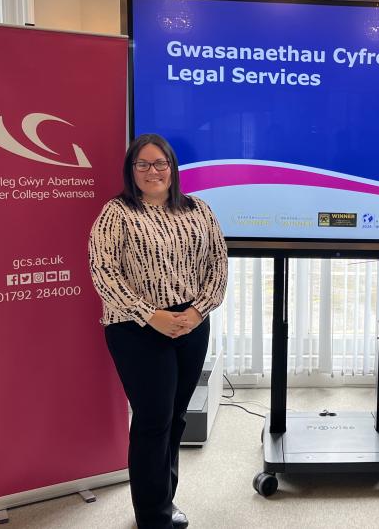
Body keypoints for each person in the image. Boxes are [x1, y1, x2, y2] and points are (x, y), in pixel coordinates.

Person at [88, 133, 228, 529]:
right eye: (143, 164)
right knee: (153, 419)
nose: (153, 171)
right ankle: (152, 518)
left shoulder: (199, 210)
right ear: (131, 171)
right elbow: (104, 273)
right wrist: (151, 315)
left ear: (172, 168)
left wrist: (198, 311)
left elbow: (218, 265)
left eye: (160, 163)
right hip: (135, 327)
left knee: (176, 417)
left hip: (191, 324)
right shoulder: (116, 213)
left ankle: (164, 501)